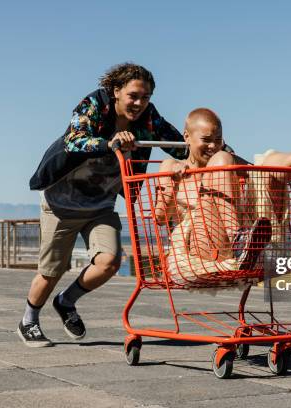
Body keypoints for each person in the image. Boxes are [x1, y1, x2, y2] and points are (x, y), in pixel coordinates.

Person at [18, 63, 191, 347]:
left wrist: (218, 151)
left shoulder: (148, 119)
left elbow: (178, 144)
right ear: (116, 91)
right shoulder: (94, 104)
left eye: (145, 97)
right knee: (52, 270)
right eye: (133, 95)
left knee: (110, 262)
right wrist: (110, 142)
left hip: (100, 204)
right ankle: (28, 320)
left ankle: (66, 301)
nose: (139, 103)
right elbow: (74, 140)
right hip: (61, 202)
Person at [154, 108, 291, 287]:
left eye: (218, 139)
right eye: (206, 139)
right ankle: (238, 240)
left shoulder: (227, 160)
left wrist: (283, 172)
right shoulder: (171, 165)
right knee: (222, 159)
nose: (212, 145)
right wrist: (174, 182)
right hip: (201, 248)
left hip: (240, 245)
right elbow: (160, 217)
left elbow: (262, 173)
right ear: (187, 136)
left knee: (265, 163)